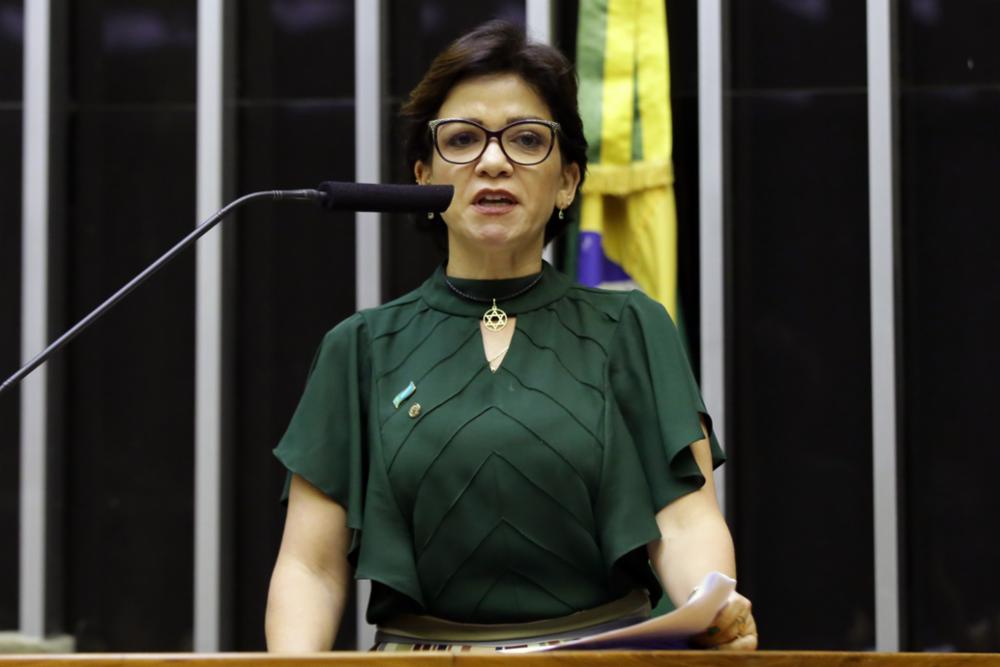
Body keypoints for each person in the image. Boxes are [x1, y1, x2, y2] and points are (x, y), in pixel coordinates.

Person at [264, 20, 757, 653]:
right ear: (422, 177)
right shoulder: (358, 348)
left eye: (526, 139)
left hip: (603, 659)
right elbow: (310, 567)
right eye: (463, 139)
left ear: (568, 181)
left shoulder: (633, 327)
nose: (493, 161)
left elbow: (686, 522)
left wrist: (710, 607)